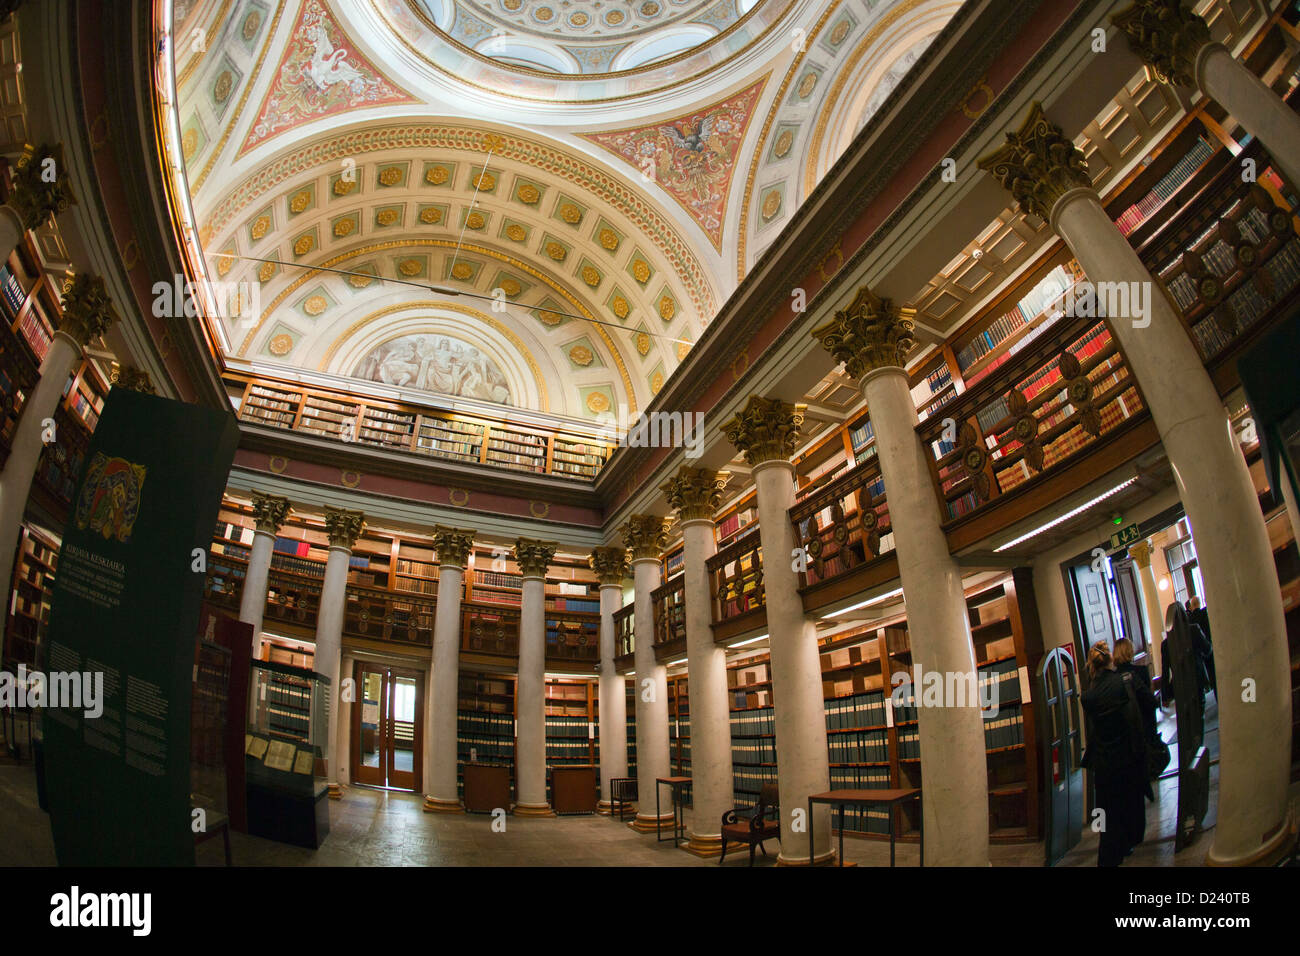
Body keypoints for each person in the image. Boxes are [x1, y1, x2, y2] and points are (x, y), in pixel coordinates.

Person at [1082, 640, 1152, 866]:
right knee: (1130, 808)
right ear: (1110, 659)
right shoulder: (1124, 683)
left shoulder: (1088, 697)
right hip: (1128, 758)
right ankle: (1128, 842)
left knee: (1108, 820)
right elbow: (1145, 707)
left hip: (1104, 766)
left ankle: (1111, 857)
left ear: (1091, 665)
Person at [1113, 638, 1160, 801]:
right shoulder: (1140, 672)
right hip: (1143, 721)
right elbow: (1149, 700)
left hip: (1125, 727)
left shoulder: (1112, 679)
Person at [1186, 596, 1217, 695]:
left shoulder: (1190, 619)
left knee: (1205, 671)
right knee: (1213, 672)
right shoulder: (1205, 614)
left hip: (1198, 651)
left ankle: (1208, 684)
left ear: (1191, 606)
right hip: (1209, 646)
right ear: (1199, 603)